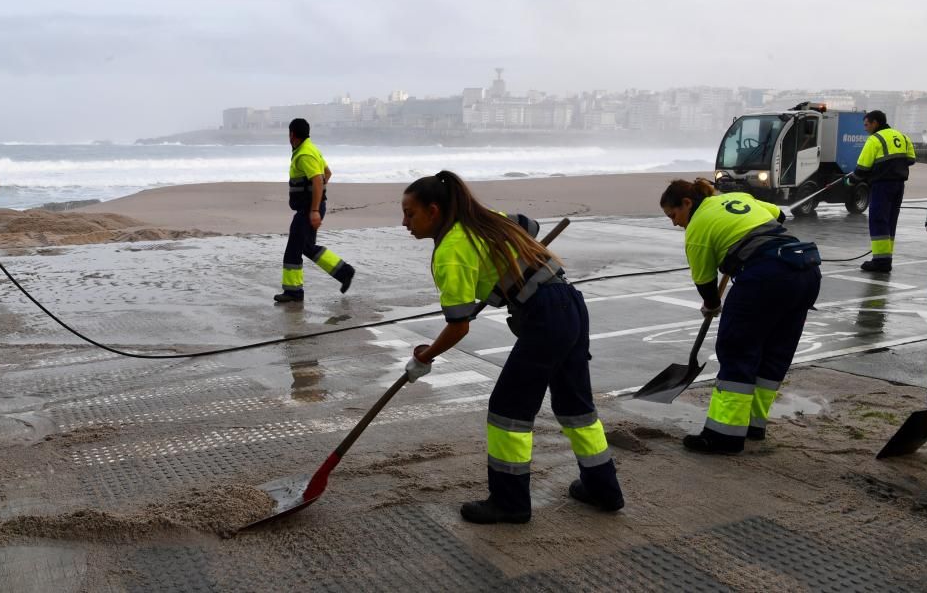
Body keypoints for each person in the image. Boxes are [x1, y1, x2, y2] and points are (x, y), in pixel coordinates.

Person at [401, 170, 624, 524]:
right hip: (569, 304)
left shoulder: (451, 251)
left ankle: (510, 502)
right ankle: (604, 488)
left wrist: (425, 357)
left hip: (543, 316)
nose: (404, 222)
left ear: (434, 210)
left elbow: (458, 325)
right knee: (575, 407)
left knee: (509, 409)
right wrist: (501, 270)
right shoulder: (487, 219)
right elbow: (530, 226)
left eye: (410, 214)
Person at [660, 178, 821, 454]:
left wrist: (711, 304)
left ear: (687, 203)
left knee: (737, 349)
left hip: (765, 276)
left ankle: (723, 436)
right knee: (774, 353)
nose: (675, 223)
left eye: (674, 215)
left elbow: (705, 282)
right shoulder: (738, 199)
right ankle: (753, 425)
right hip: (805, 272)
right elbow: (779, 214)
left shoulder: (697, 228)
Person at [273, 118, 355, 303]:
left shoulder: (305, 154)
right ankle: (344, 271)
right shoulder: (311, 149)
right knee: (307, 247)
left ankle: (293, 292)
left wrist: (315, 208)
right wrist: (318, 199)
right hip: (310, 208)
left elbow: (319, 179)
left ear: (292, 134)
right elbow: (328, 173)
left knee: (294, 248)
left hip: (308, 210)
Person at [853, 110, 916, 273]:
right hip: (899, 185)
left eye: (867, 124)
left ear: (875, 123)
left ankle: (880, 262)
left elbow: (862, 168)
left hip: (882, 186)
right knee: (889, 221)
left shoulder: (875, 140)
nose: (865, 128)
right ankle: (886, 258)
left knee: (878, 220)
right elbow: (911, 159)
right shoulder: (902, 136)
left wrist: (851, 180)